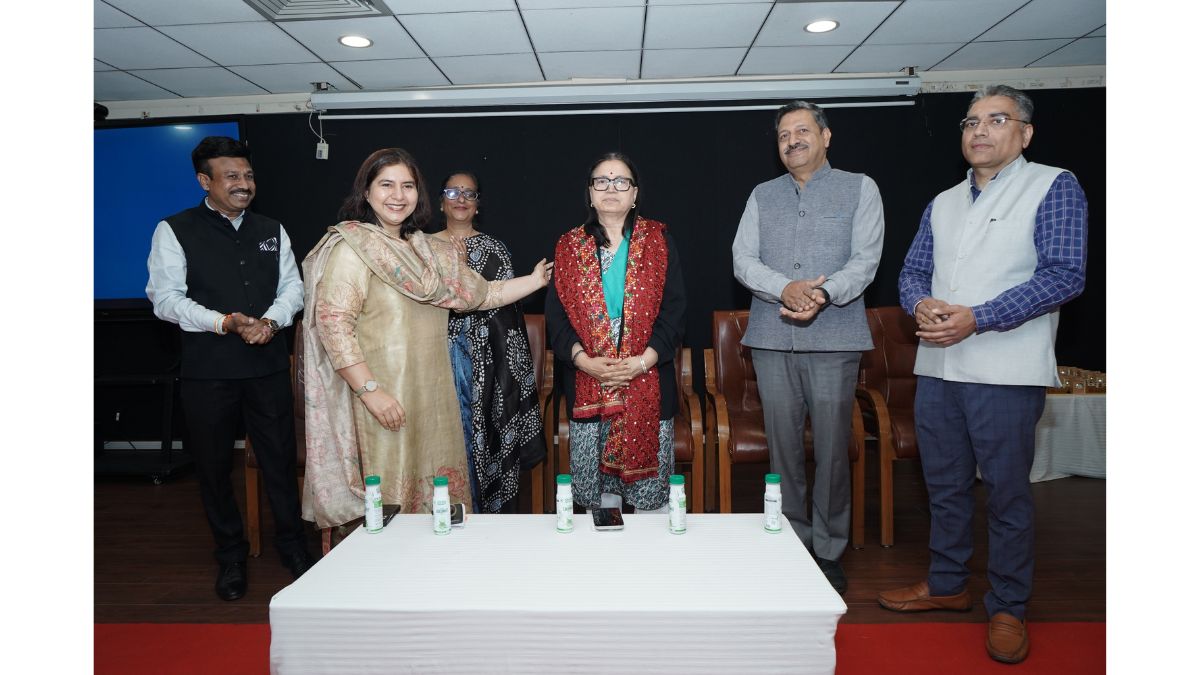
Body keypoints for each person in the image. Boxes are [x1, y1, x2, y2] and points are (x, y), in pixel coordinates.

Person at [878, 85, 1088, 664]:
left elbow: (1065, 274)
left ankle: (1009, 606)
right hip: (939, 366)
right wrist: (920, 304)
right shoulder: (943, 201)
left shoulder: (1054, 185)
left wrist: (980, 317)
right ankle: (947, 584)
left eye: (997, 119)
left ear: (1025, 133)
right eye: (971, 121)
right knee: (943, 488)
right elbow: (913, 270)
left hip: (1005, 367)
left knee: (1006, 494)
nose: (979, 130)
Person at [300, 149, 552, 530]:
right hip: (384, 401)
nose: (397, 195)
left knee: (439, 510)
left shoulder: (428, 251)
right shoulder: (353, 249)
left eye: (407, 186)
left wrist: (534, 281)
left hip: (434, 402)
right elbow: (334, 323)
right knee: (391, 510)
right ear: (366, 192)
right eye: (386, 185)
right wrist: (369, 391)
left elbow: (481, 294)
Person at [146, 136, 314, 602]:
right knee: (214, 468)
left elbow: (293, 288)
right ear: (205, 181)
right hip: (208, 373)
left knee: (280, 462)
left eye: (248, 175)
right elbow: (165, 299)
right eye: (232, 176)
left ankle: (292, 546)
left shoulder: (271, 228)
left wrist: (270, 322)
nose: (244, 184)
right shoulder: (174, 230)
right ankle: (231, 555)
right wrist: (224, 322)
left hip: (267, 368)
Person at [731, 100, 884, 595]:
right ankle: (793, 542)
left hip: (834, 338)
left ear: (826, 136)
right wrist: (785, 288)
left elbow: (866, 260)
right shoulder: (762, 194)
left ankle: (829, 549)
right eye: (783, 135)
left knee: (835, 449)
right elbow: (742, 260)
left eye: (802, 131)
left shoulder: (860, 188)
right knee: (783, 450)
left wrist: (823, 293)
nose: (792, 141)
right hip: (772, 339)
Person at [545, 152, 686, 514]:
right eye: (602, 181)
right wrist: (584, 361)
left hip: (648, 377)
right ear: (590, 193)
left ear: (634, 194)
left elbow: (674, 312)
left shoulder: (659, 242)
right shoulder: (568, 247)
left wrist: (641, 362)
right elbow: (556, 319)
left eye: (621, 181)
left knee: (649, 509)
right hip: (587, 381)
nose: (611, 188)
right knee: (599, 506)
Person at [431, 170, 548, 513]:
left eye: (469, 193)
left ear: (478, 204)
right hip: (434, 363)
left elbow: (506, 321)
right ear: (441, 202)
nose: (461, 199)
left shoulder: (494, 249)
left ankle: (485, 524)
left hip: (487, 370)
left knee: (483, 449)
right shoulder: (421, 247)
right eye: (453, 192)